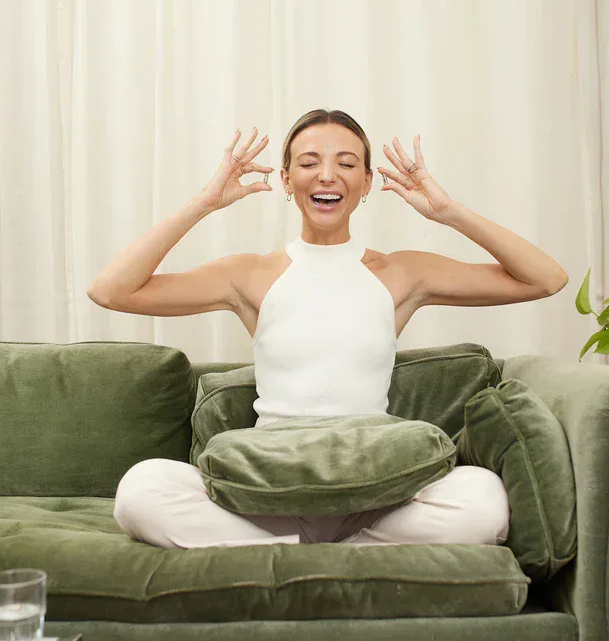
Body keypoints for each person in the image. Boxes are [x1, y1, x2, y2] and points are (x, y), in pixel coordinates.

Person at [88, 109, 569, 548]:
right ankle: (320, 553)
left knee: (483, 497)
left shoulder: (400, 274)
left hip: (376, 490)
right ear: (286, 179)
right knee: (140, 489)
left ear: (365, 183)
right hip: (268, 491)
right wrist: (204, 203)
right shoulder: (250, 275)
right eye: (309, 162)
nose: (327, 174)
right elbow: (112, 291)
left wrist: (448, 212)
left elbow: (545, 279)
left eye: (346, 163)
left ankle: (313, 553)